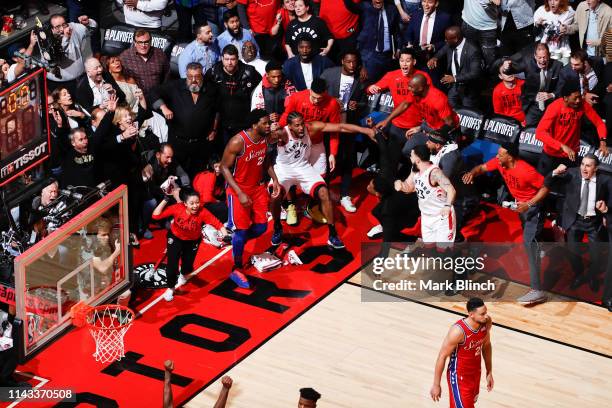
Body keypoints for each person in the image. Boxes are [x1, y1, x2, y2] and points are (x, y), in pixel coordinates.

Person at [270, 112, 374, 248]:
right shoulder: (283, 133)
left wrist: (366, 130)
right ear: (289, 126)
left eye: (302, 124)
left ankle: (332, 234)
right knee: (275, 195)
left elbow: (340, 127)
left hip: (302, 167)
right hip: (284, 169)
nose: (301, 128)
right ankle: (277, 227)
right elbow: (269, 139)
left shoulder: (310, 128)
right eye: (297, 125)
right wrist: (271, 132)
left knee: (324, 192)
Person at [463, 143, 550, 305]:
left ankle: (537, 291)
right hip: (521, 205)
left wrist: (529, 204)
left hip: (534, 207)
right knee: (529, 236)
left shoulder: (526, 170)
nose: (497, 157)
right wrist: (471, 173)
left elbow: (545, 188)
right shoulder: (499, 163)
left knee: (528, 243)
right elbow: (481, 168)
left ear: (510, 157)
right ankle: (540, 247)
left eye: (500, 154)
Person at [221, 109, 280, 289]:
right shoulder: (238, 141)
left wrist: (275, 179)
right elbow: (224, 167)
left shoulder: (265, 138)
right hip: (238, 189)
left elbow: (266, 160)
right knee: (241, 229)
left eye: (268, 123)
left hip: (257, 188)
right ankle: (236, 266)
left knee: (262, 226)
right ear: (254, 125)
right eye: (265, 123)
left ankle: (236, 241)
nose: (268, 126)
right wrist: (239, 192)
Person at [153, 189, 228, 301]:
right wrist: (166, 199)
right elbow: (156, 216)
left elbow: (217, 223)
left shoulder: (203, 212)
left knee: (188, 265)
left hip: (192, 241)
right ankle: (171, 288)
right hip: (175, 239)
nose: (195, 206)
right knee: (171, 267)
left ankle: (183, 275)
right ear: (185, 203)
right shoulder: (177, 208)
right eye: (192, 203)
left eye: (197, 202)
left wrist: (225, 234)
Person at [549, 156, 609, 292]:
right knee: (573, 252)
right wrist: (555, 172)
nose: (584, 168)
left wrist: (606, 212)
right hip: (574, 221)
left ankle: (593, 276)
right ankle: (579, 275)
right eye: (582, 164)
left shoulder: (605, 180)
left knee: (596, 255)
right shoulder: (572, 173)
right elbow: (548, 181)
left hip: (594, 223)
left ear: (596, 168)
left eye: (588, 166)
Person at [320, 49, 368, 213]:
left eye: (354, 62)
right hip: (329, 125)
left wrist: (358, 106)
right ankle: (323, 194)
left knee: (347, 161)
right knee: (326, 160)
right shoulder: (328, 74)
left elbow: (365, 104)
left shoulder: (361, 79)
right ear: (342, 61)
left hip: (349, 125)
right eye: (348, 62)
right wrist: (332, 100)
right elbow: (317, 94)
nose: (352, 65)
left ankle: (344, 195)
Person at [152, 62, 218, 176]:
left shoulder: (211, 89)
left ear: (202, 76)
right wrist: (163, 107)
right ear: (185, 75)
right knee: (177, 174)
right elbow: (153, 93)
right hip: (178, 143)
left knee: (198, 175)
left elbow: (217, 110)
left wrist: (214, 129)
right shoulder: (175, 86)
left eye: (197, 76)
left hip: (200, 144)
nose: (193, 80)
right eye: (190, 77)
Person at [430, 297, 493, 408]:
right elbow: (442, 356)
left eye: (486, 312)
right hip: (459, 378)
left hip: (475, 374)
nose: (486, 316)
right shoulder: (458, 331)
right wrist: (436, 384)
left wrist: (489, 372)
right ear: (471, 314)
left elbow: (486, 346)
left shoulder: (486, 323)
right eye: (482, 314)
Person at [535, 81, 607, 176]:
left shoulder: (582, 104)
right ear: (565, 98)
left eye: (579, 97)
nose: (578, 101)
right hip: (551, 155)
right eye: (575, 98)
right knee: (542, 185)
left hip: (571, 155)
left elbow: (599, 123)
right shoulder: (554, 107)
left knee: (570, 187)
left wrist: (603, 141)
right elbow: (539, 133)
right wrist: (562, 146)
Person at [369, 48, 432, 154]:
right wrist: (371, 88)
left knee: (413, 158)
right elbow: (371, 89)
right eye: (401, 60)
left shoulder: (423, 77)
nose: (404, 64)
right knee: (392, 158)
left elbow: (430, 104)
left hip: (416, 127)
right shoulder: (391, 75)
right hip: (397, 125)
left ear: (414, 62)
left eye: (408, 60)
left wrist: (421, 127)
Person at [395, 144, 457, 245]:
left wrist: (447, 206)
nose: (410, 157)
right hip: (426, 216)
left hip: (441, 216)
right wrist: (400, 185)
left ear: (418, 159)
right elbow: (409, 187)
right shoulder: (415, 170)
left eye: (411, 155)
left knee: (444, 250)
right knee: (429, 247)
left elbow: (451, 190)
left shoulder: (435, 173)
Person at [205, 45, 262, 146]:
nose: (229, 63)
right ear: (222, 59)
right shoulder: (214, 72)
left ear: (237, 59)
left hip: (243, 122)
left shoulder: (249, 72)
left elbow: (262, 89)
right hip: (221, 123)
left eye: (232, 59)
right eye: (226, 59)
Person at [427, 26, 483, 109]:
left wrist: (455, 78)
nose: (445, 41)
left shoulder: (473, 50)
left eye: (447, 39)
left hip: (468, 87)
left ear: (455, 39)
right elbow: (442, 51)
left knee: (467, 111)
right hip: (455, 86)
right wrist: (435, 58)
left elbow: (475, 73)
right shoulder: (450, 43)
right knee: (450, 105)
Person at [46, 14, 97, 95]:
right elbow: (60, 54)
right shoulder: (46, 40)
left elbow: (92, 28)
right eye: (57, 27)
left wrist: (88, 23)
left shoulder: (72, 27)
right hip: (60, 84)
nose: (62, 29)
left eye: (64, 25)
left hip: (81, 78)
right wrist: (66, 38)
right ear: (52, 29)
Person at [119, 30, 171, 96]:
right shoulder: (125, 56)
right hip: (135, 97)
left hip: (156, 96)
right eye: (140, 42)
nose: (143, 46)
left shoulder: (160, 54)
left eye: (146, 42)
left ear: (150, 42)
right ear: (135, 42)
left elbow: (167, 76)